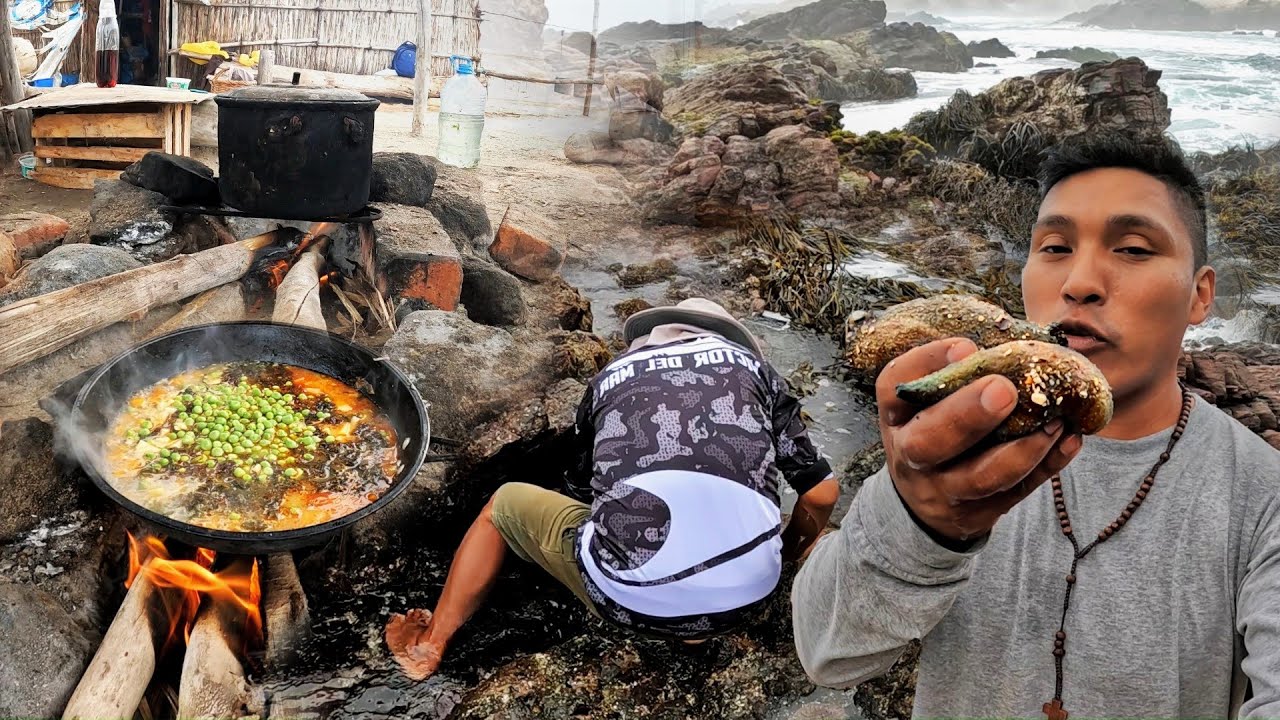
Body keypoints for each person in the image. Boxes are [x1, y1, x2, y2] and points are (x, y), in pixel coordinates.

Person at [791, 133, 1280, 718]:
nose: (1079, 283)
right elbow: (826, 654)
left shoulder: (1262, 494)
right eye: (1053, 247)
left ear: (1200, 296)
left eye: (1132, 248)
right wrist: (924, 525)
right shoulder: (948, 452)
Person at [387, 297, 840, 680]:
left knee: (503, 506)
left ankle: (431, 642)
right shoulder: (755, 372)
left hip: (627, 601)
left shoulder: (611, 376)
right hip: (751, 595)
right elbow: (822, 494)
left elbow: (583, 487)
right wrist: (786, 552)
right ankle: (696, 631)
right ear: (730, 342)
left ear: (659, 335)